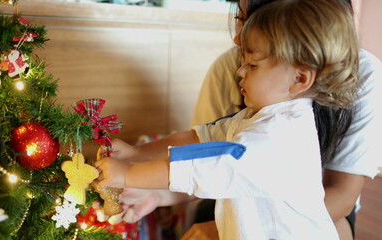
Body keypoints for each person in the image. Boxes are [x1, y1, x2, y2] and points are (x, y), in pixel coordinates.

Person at [95, 0, 360, 238]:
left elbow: (203, 164)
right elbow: (197, 138)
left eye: (253, 65)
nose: (240, 70)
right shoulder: (256, 117)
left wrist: (129, 174)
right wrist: (137, 152)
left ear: (299, 79)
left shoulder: (278, 137)